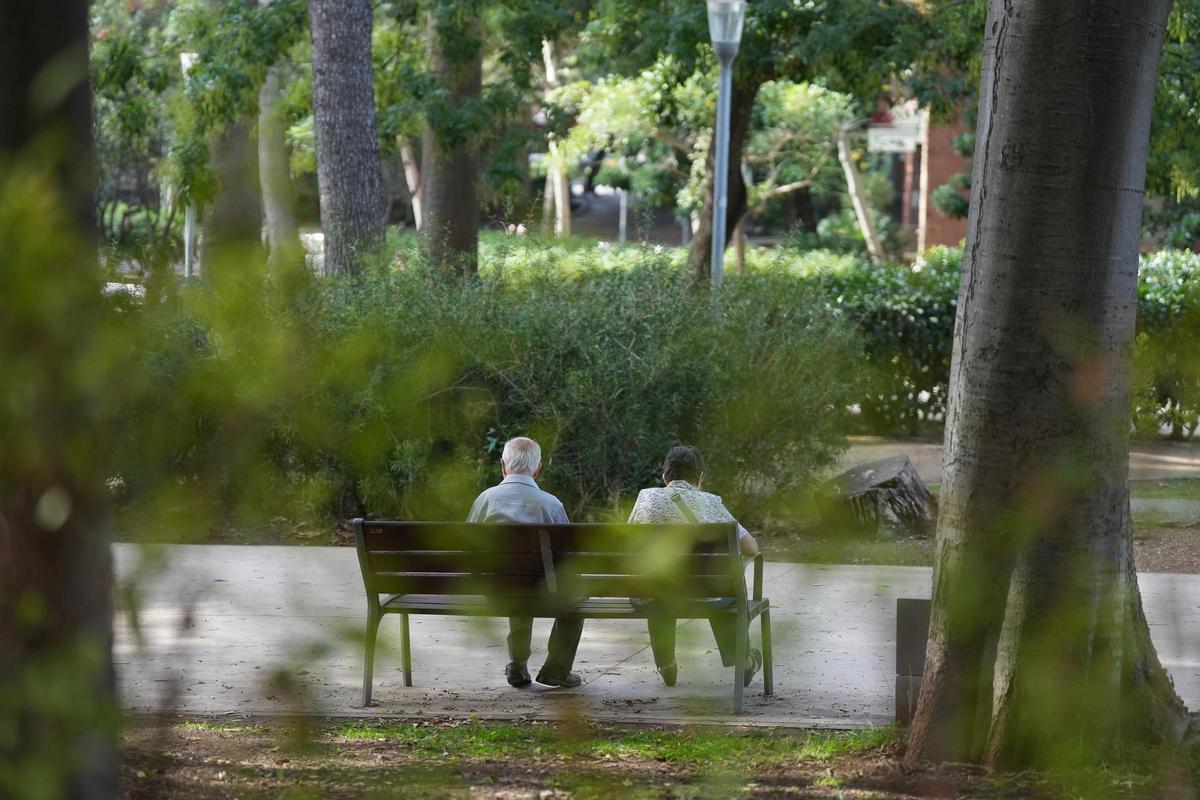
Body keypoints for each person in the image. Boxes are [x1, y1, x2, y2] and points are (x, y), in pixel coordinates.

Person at [627, 445, 762, 687]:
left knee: (660, 590)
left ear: (664, 477)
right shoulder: (710, 502)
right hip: (703, 593)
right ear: (699, 477)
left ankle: (666, 664)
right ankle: (742, 659)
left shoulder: (644, 498)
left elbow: (629, 544)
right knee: (718, 589)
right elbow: (751, 547)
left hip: (650, 593)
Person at [467, 436, 584, 689]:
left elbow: (468, 548)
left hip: (496, 592)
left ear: (502, 465)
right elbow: (568, 557)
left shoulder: (485, 500)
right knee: (574, 598)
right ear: (538, 468)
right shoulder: (552, 504)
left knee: (513, 583)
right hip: (543, 592)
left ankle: (518, 664)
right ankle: (557, 669)